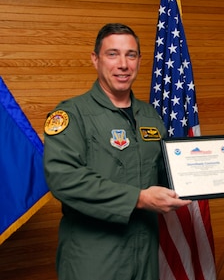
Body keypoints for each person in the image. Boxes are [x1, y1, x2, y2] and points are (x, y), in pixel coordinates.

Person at [43, 23, 191, 280]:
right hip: (94, 256)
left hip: (145, 251)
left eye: (130, 55)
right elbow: (64, 179)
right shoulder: (71, 114)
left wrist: (215, 167)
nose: (123, 64)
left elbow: (169, 173)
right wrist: (140, 198)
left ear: (139, 60)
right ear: (95, 59)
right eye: (112, 54)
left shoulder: (149, 116)